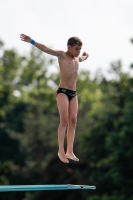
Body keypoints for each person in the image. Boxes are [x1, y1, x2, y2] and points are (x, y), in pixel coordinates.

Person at [20, 34, 89, 163]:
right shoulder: (62, 55)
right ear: (69, 47)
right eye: (76, 49)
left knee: (73, 121)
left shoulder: (77, 59)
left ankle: (70, 151)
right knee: (64, 120)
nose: (78, 51)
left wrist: (85, 56)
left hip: (73, 93)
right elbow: (46, 49)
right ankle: (61, 151)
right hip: (62, 92)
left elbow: (82, 58)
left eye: (79, 49)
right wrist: (32, 41)